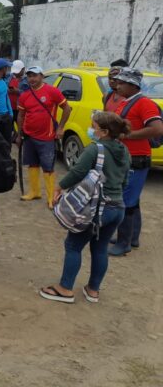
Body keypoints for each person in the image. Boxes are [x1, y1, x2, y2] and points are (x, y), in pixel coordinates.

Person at [39, 111, 130, 303]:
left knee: (73, 245)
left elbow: (78, 172)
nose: (91, 129)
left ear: (104, 131)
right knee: (100, 247)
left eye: (93, 127)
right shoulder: (124, 150)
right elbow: (125, 181)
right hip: (117, 207)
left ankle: (65, 288)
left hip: (97, 208)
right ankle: (93, 289)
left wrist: (59, 187)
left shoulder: (95, 149)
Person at [108, 67, 163, 256]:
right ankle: (132, 237)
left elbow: (157, 129)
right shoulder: (126, 101)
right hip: (128, 157)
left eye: (121, 82)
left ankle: (124, 243)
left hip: (137, 158)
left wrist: (128, 135)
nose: (117, 85)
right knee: (133, 200)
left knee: (127, 202)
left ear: (133, 85)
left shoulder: (144, 104)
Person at [16, 66, 72, 208]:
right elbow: (21, 115)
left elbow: (67, 108)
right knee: (32, 164)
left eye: (34, 76)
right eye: (29, 76)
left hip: (47, 137)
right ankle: (34, 192)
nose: (32, 79)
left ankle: (50, 197)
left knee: (48, 167)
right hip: (29, 136)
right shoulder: (25, 95)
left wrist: (60, 127)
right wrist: (19, 134)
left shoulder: (52, 91)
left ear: (41, 76)